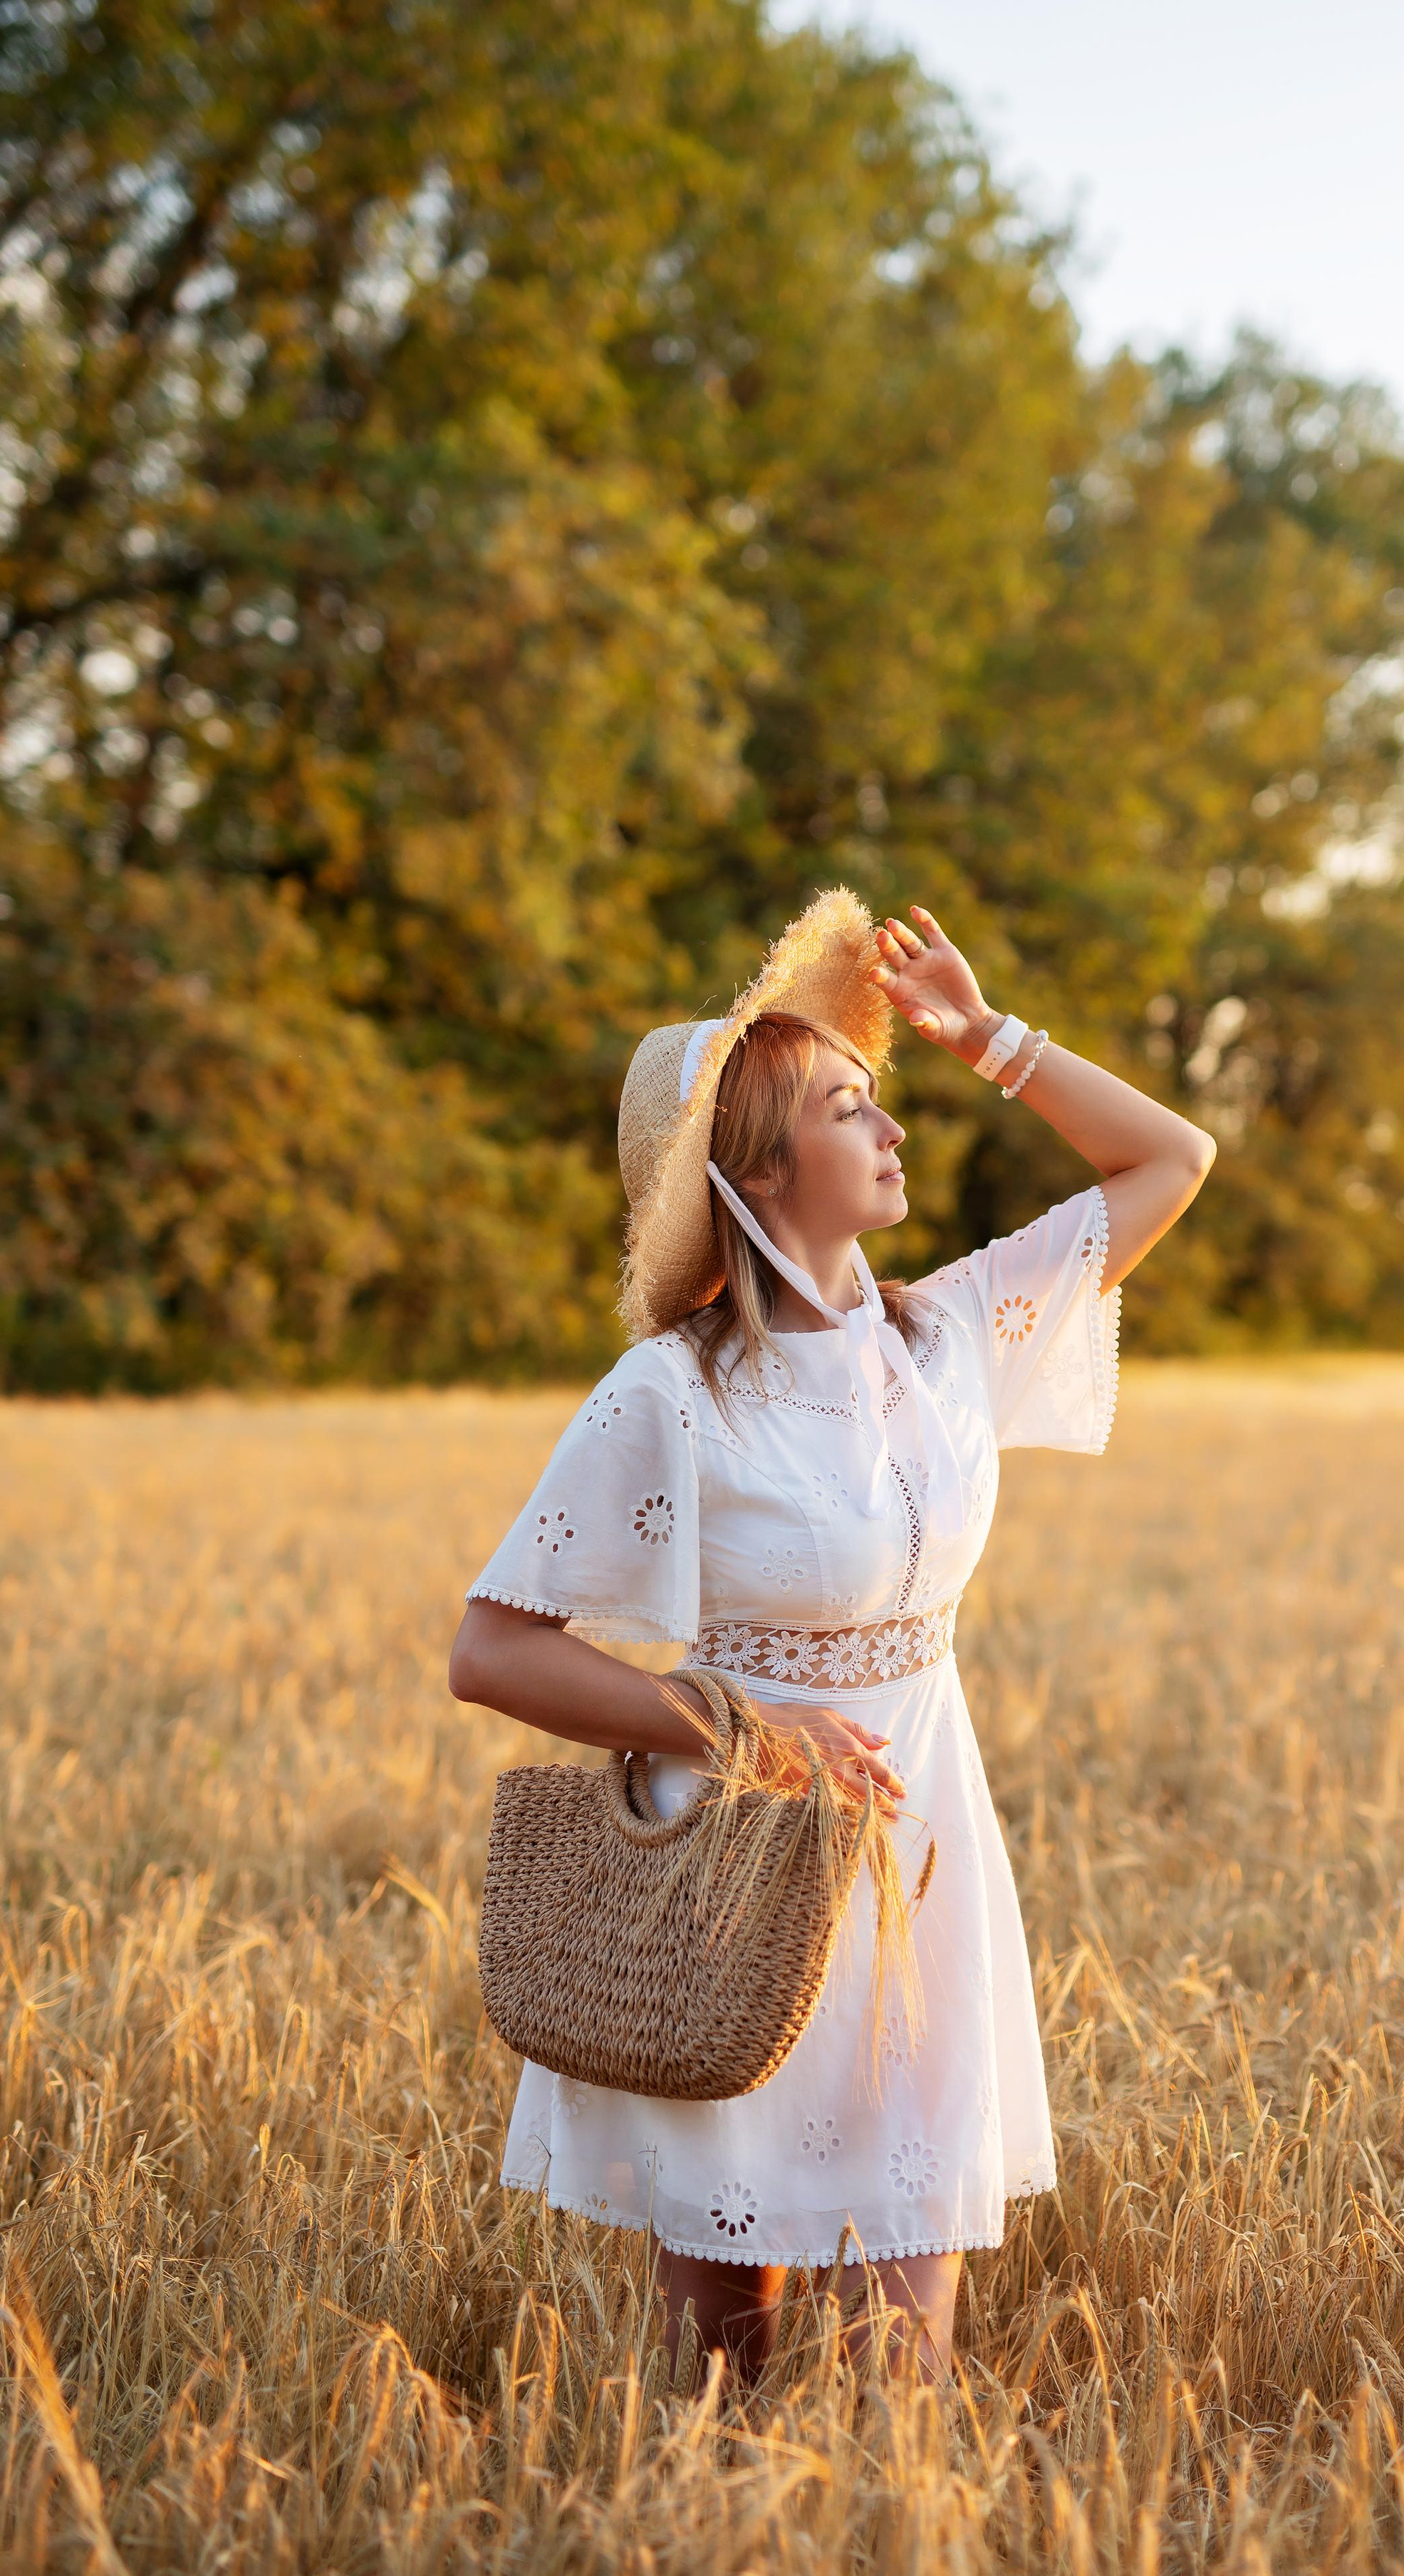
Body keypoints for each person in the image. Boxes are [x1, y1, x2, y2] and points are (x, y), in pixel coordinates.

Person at [449, 890, 1213, 2377]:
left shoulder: (945, 1339)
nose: (892, 1130)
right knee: (726, 2329)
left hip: (920, 1837)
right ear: (750, 1168)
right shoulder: (668, 1394)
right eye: (850, 1107)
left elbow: (1168, 1158)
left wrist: (990, 1039)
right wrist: (732, 1724)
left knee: (903, 2331)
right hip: (737, 1853)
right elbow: (490, 1648)